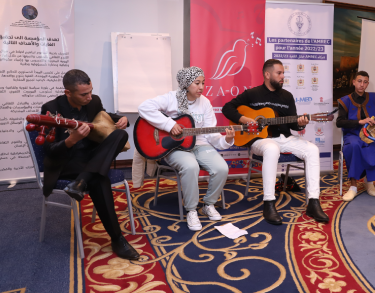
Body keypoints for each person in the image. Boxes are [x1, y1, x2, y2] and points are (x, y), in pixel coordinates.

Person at [41, 69, 139, 260]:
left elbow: (105, 117)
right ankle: (118, 239)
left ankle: (81, 181)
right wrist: (72, 140)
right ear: (68, 92)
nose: (89, 97)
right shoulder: (51, 108)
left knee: (120, 134)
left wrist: (122, 119)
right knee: (99, 179)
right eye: (84, 94)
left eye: (91, 91)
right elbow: (49, 151)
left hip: (92, 156)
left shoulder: (93, 101)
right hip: (66, 162)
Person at [222, 59, 329, 225]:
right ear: (267, 74)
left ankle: (313, 202)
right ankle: (269, 203)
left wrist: (300, 123)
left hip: (284, 138)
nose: (282, 76)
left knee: (313, 149)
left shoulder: (287, 96)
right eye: (279, 73)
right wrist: (244, 119)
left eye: (283, 73)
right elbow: (227, 108)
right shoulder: (252, 94)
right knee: (271, 148)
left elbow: (293, 124)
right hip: (260, 140)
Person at [138, 66, 234, 231]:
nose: (201, 87)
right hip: (175, 147)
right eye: (197, 83)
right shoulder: (171, 98)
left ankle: (208, 205)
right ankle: (191, 210)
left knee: (222, 167)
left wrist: (227, 139)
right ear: (186, 83)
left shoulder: (205, 102)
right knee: (191, 166)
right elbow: (144, 107)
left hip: (200, 143)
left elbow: (211, 134)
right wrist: (169, 125)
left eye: (203, 83)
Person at [336, 71, 375, 202]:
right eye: (359, 81)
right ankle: (353, 186)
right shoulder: (345, 100)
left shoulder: (374, 98)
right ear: (353, 82)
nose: (362, 84)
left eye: (365, 82)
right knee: (353, 147)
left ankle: (369, 181)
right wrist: (360, 122)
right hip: (353, 135)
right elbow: (339, 122)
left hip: (372, 135)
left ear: (367, 84)